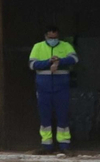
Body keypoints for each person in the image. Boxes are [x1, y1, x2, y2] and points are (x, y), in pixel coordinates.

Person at [28, 24, 78, 154]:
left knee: (63, 115)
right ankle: (47, 145)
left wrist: (59, 61)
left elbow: (74, 59)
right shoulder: (38, 47)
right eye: (50, 37)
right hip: (43, 87)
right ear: (45, 36)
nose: (53, 39)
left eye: (55, 37)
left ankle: (64, 145)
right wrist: (48, 62)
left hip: (61, 86)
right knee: (45, 116)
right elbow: (32, 64)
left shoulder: (65, 46)